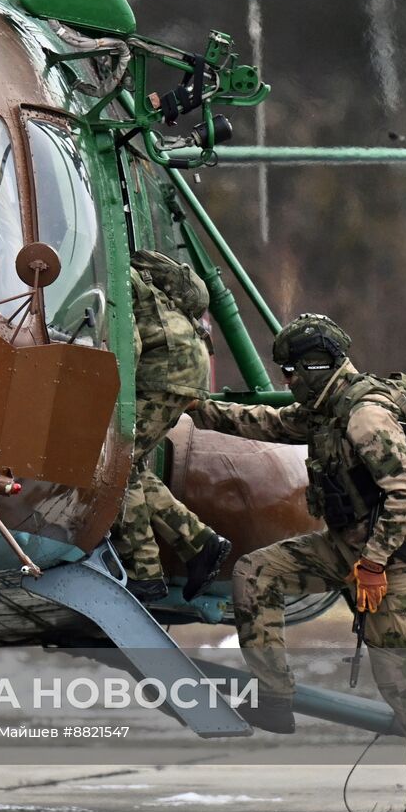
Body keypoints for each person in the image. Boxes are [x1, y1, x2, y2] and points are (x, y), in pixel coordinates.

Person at [190, 313, 406, 812]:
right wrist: (192, 406)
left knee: (401, 683)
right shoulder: (324, 410)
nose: (288, 381)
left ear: (318, 366)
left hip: (392, 559)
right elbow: (266, 425)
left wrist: (372, 565)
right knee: (255, 572)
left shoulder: (365, 417)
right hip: (346, 545)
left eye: (294, 370)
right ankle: (274, 697)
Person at [118, 250, 231, 604]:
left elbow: (131, 342)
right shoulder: (145, 280)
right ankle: (200, 544)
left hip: (162, 373)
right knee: (130, 464)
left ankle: (145, 573)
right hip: (180, 368)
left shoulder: (122, 277)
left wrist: (120, 388)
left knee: (114, 466)